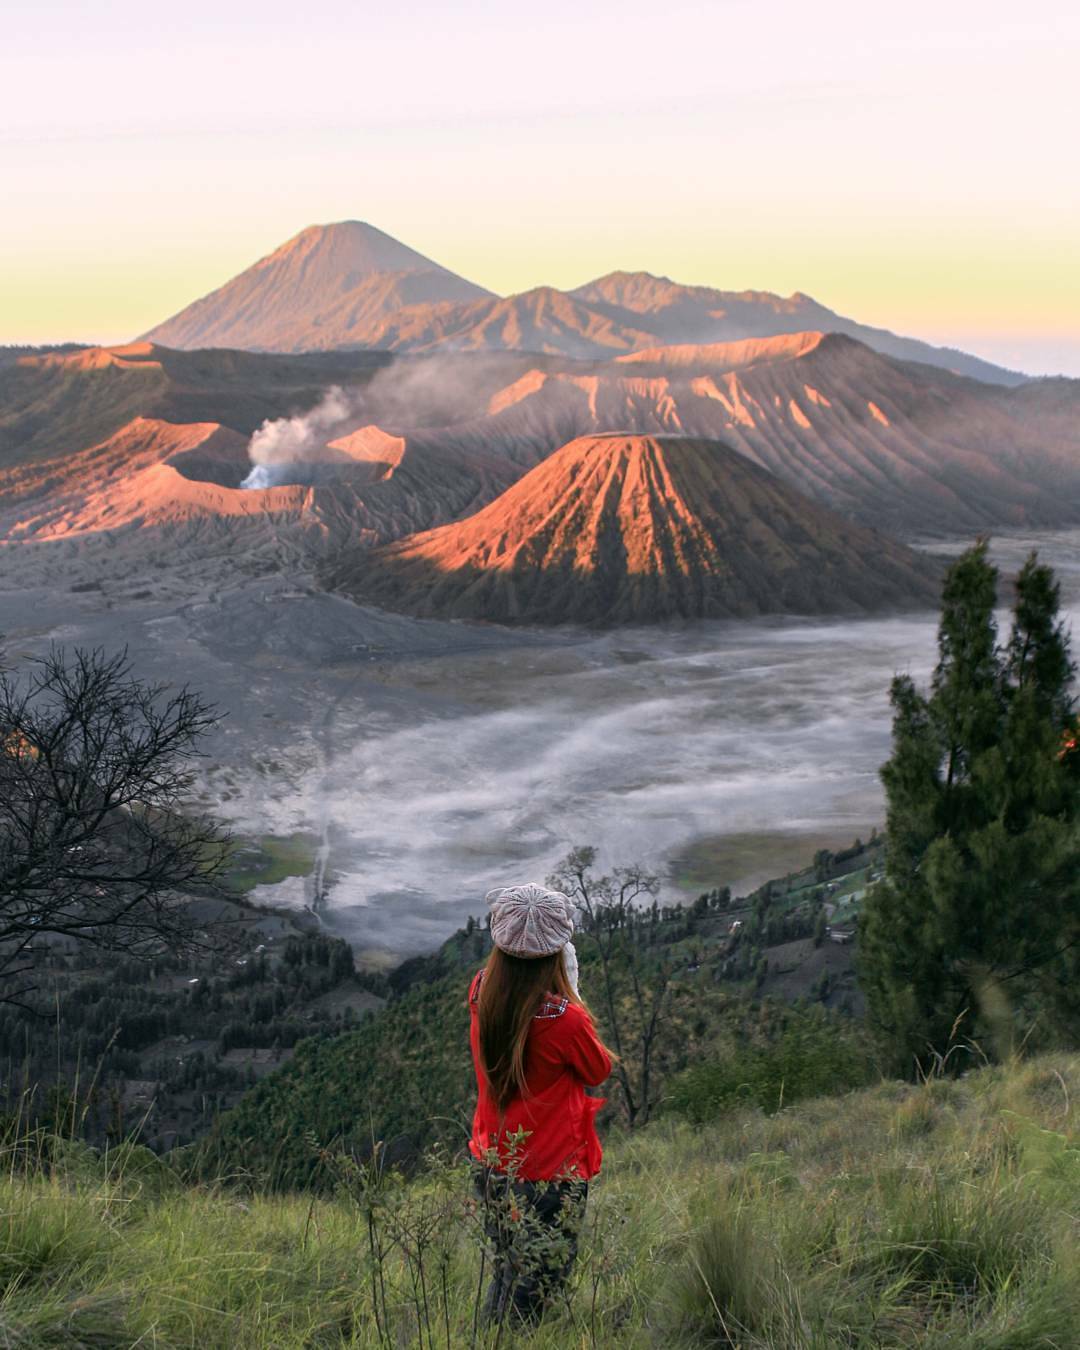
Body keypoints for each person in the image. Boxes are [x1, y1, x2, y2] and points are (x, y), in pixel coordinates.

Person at [468, 882, 613, 1326]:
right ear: (555, 954)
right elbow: (598, 1070)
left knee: (506, 1267)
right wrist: (574, 995)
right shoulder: (565, 1020)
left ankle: (491, 1335)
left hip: (492, 1158)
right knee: (543, 1278)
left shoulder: (481, 991)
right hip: (549, 1170)